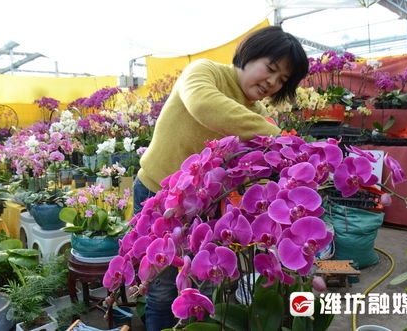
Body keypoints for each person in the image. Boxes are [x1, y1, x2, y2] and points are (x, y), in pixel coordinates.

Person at [132, 25, 309, 331]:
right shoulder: (204, 72)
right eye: (270, 69)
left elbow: (249, 171)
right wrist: (280, 138)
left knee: (195, 291)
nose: (272, 82)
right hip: (157, 196)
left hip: (203, 209)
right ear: (247, 55)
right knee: (162, 292)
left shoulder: (257, 115)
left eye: (282, 80)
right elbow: (206, 106)